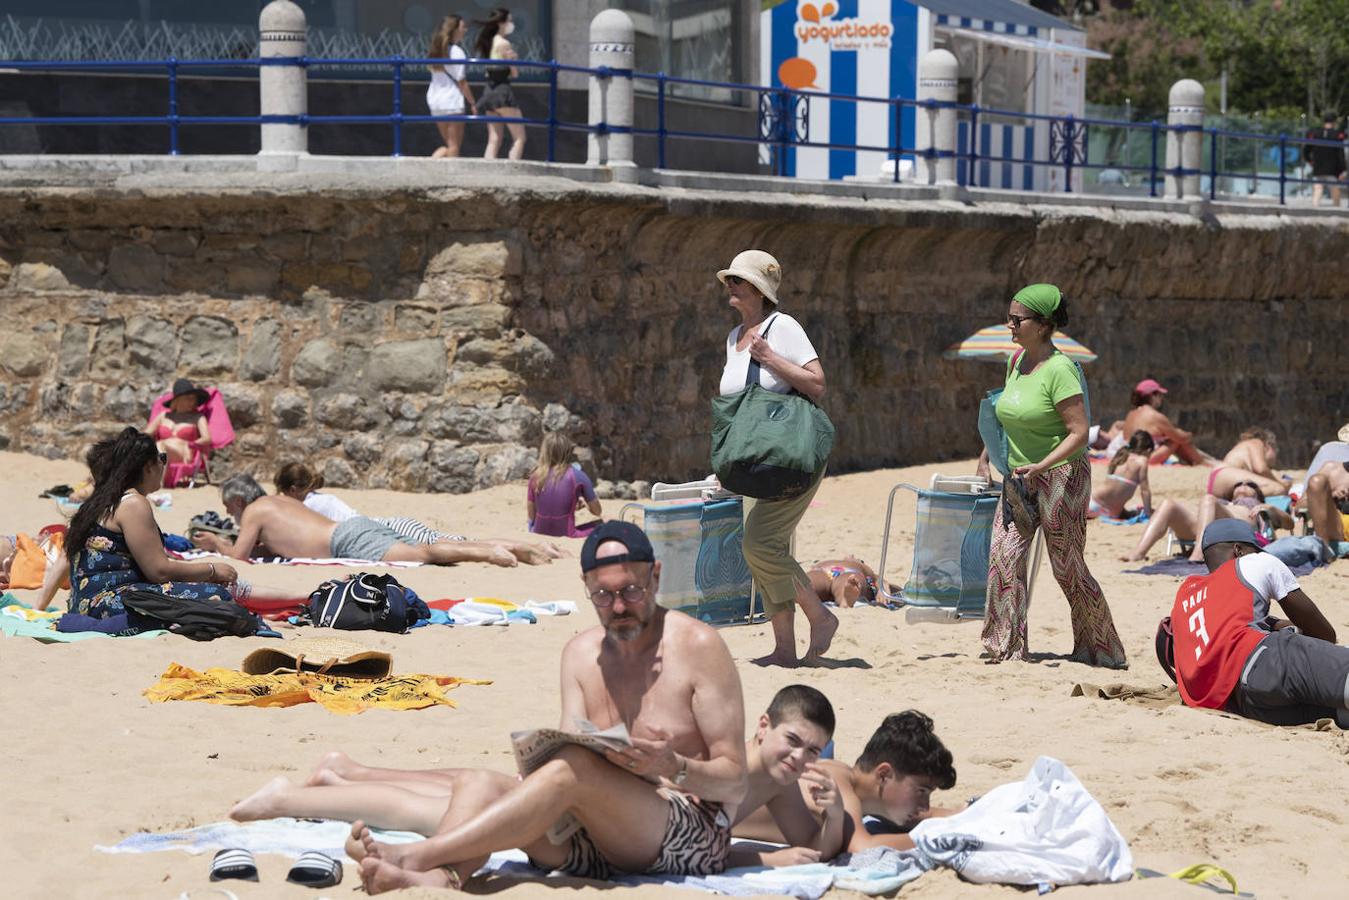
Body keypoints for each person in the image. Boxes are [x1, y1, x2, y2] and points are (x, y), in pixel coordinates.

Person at [347, 521, 751, 892]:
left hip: (691, 836)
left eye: (631, 591)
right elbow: (564, 758)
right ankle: (443, 878)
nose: (620, 607)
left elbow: (735, 780)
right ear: (586, 587)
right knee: (479, 783)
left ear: (656, 577)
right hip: (596, 838)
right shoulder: (580, 654)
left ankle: (418, 855)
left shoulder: (699, 648)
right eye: (604, 596)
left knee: (575, 767)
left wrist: (673, 767)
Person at [231, 684, 846, 868]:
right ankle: (295, 799)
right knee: (480, 785)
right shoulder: (726, 756)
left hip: (664, 839)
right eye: (795, 742)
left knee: (561, 774)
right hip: (636, 828)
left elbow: (811, 849)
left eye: (814, 751)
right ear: (764, 726)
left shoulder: (791, 786)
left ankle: (419, 860)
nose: (800, 758)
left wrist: (836, 812)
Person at [983, 284, 1127, 668]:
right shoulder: (1015, 362)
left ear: (1043, 324)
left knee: (1067, 566)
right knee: (1003, 557)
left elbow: (1080, 433)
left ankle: (1101, 647)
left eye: (1017, 319)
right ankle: (1006, 646)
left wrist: (1042, 466)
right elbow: (1006, 414)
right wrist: (987, 453)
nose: (1009, 324)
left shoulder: (1061, 370)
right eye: (1009, 317)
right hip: (1018, 476)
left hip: (1061, 477)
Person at [716, 249, 836, 668]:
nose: (730, 286)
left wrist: (770, 358)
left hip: (791, 458)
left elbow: (817, 384)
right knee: (761, 551)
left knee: (760, 543)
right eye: (729, 279)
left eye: (738, 280)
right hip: (754, 462)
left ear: (758, 289)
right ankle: (784, 648)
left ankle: (820, 616)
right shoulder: (733, 338)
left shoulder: (783, 328)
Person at [1162, 520, 1347, 728]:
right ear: (1238, 550)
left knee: (1339, 711)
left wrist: (1273, 623)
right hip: (1264, 663)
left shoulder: (1187, 592)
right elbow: (1324, 634)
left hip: (1241, 703)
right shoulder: (1256, 562)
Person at [191, 474, 562, 568]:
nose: (230, 515)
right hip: (354, 529)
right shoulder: (278, 501)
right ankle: (508, 545)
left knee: (424, 554)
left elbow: (239, 558)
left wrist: (215, 545)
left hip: (345, 542)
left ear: (238, 499)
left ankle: (487, 554)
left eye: (229, 508)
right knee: (427, 544)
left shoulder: (253, 511)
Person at [63, 428, 239, 619]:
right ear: (148, 466)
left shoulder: (103, 499)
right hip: (110, 604)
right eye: (162, 458)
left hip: (82, 602)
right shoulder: (133, 503)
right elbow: (159, 571)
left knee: (205, 594)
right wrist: (212, 570)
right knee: (217, 594)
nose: (164, 465)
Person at [739, 711, 958, 852]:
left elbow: (925, 814)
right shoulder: (839, 789)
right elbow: (862, 848)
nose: (924, 805)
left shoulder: (848, 778)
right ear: (883, 775)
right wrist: (937, 839)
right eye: (921, 791)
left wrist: (961, 813)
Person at [274, 462, 467, 544]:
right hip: (388, 524)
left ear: (292, 490)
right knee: (447, 541)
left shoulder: (310, 504)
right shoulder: (317, 499)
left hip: (385, 529)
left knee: (440, 543)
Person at [1120, 480, 1293, 563]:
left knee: (1209, 499)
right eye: (1238, 484)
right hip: (1209, 524)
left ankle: (1198, 554)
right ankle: (1138, 552)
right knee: (1168, 504)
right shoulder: (1223, 502)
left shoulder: (1261, 507)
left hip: (1238, 527)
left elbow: (1290, 524)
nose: (1242, 486)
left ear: (1257, 495)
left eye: (1249, 485)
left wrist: (1270, 508)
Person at [1118, 378, 1215, 466]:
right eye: (1159, 395)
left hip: (1128, 455)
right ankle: (1202, 462)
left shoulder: (1131, 414)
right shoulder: (1154, 416)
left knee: (1172, 438)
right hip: (1146, 458)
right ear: (1152, 396)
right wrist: (1190, 434)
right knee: (1175, 440)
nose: (1161, 398)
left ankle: (1203, 461)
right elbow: (1180, 438)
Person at [474, 8, 526, 161]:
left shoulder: (489, 43)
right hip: (503, 92)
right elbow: (514, 73)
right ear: (500, 23)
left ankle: (487, 173)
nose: (511, 24)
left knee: (494, 139)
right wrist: (514, 61)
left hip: (489, 92)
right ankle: (513, 169)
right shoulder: (504, 43)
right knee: (519, 138)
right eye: (509, 21)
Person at [527, 433, 601, 538]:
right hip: (568, 533)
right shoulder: (578, 476)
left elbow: (531, 517)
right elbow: (597, 511)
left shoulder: (535, 476)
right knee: (603, 523)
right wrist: (585, 504)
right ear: (568, 451)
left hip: (537, 532)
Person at [426, 15, 476, 158]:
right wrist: (472, 102)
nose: (465, 30)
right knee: (454, 147)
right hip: (452, 101)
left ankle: (433, 164)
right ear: (454, 30)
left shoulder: (435, 51)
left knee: (449, 145)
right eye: (462, 27)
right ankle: (448, 177)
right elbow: (462, 82)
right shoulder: (457, 52)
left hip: (435, 101)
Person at [1206, 427, 1288, 499]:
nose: (1275, 459)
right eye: (1275, 451)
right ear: (1268, 445)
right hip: (1225, 473)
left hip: (1217, 482)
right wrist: (1280, 483)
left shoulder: (1244, 448)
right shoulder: (1256, 442)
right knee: (1278, 488)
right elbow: (1261, 469)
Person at [144, 378, 211, 465]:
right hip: (162, 451)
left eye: (194, 399)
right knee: (155, 448)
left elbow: (207, 438)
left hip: (183, 452)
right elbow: (146, 433)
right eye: (188, 398)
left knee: (160, 446)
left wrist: (190, 444)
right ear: (178, 400)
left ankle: (159, 476)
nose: (192, 402)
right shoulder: (163, 416)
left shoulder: (198, 417)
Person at [1088, 430, 1153, 519]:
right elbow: (1145, 491)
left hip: (1093, 503)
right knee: (1138, 510)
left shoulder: (1122, 455)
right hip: (1112, 513)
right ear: (1148, 450)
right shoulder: (1142, 461)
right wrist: (1148, 513)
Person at [806, 556, 889, 608]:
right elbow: (880, 580)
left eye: (860, 560)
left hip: (825, 570)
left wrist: (883, 589)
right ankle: (844, 598)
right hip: (824, 571)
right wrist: (883, 587)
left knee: (849, 581)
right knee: (809, 583)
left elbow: (879, 580)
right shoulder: (857, 565)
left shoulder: (861, 566)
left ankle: (845, 599)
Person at [1302, 460, 1349, 550]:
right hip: (1339, 527)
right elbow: (1300, 507)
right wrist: (1329, 496)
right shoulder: (1331, 470)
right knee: (1317, 481)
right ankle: (1324, 550)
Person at [1305, 112, 1345, 207]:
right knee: (1334, 189)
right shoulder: (1337, 134)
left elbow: (1306, 150)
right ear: (1334, 122)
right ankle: (1337, 210)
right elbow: (1340, 153)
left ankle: (1314, 209)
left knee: (1318, 188)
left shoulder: (1315, 133)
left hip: (1318, 166)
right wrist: (1342, 169)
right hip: (1332, 168)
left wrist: (1310, 161)